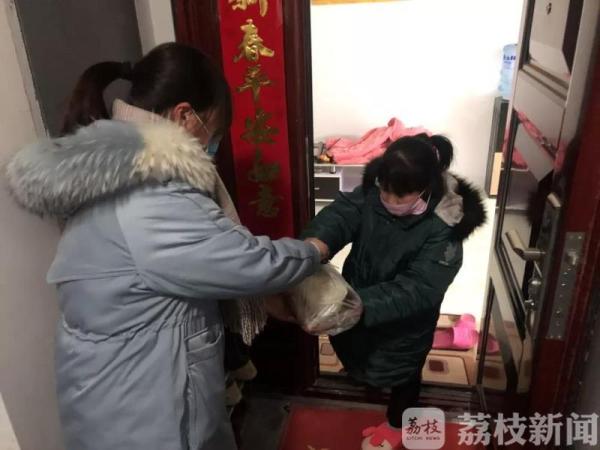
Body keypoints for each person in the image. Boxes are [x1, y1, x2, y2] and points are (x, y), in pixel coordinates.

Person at [6, 43, 325, 450]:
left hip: (119, 385)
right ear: (185, 116)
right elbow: (248, 261)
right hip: (144, 407)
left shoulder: (117, 169)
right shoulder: (150, 195)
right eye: (214, 131)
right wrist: (314, 250)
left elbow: (189, 265)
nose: (213, 146)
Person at [302, 134, 486, 450]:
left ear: (425, 187)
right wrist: (316, 243)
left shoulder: (445, 225)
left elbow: (420, 287)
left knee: (404, 372)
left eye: (400, 195)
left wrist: (355, 305)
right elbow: (344, 214)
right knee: (357, 350)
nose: (388, 199)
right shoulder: (375, 190)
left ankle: (398, 423)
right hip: (360, 296)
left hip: (405, 323)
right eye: (384, 189)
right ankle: (366, 376)